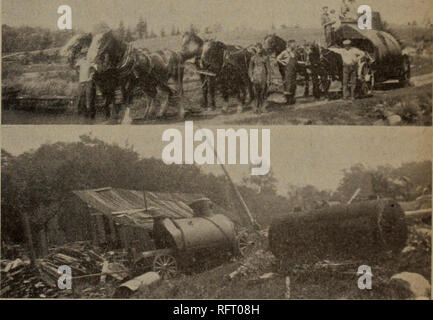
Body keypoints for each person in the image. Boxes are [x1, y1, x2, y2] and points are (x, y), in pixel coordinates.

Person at [248, 43, 272, 113]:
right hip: (255, 77)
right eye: (258, 48)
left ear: (262, 49)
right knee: (256, 93)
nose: (259, 50)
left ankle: (263, 107)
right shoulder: (253, 58)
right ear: (256, 49)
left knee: (263, 92)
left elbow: (268, 69)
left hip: (263, 76)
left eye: (260, 48)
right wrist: (251, 77)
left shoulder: (265, 57)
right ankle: (256, 108)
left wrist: (268, 79)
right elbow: (250, 69)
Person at [75, 48, 96, 119]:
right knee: (80, 96)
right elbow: (77, 68)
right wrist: (79, 76)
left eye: (86, 53)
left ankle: (90, 113)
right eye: (83, 54)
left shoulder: (90, 61)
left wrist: (90, 77)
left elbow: (93, 70)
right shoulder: (80, 61)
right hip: (82, 81)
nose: (84, 55)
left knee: (88, 96)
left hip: (88, 81)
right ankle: (83, 113)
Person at [277, 39, 298, 105]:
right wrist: (283, 63)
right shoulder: (285, 52)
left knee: (293, 85)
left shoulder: (294, 52)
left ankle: (292, 99)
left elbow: (296, 61)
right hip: (288, 71)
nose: (294, 45)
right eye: (293, 44)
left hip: (294, 71)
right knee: (288, 85)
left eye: (294, 44)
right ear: (289, 44)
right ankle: (288, 100)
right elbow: (278, 58)